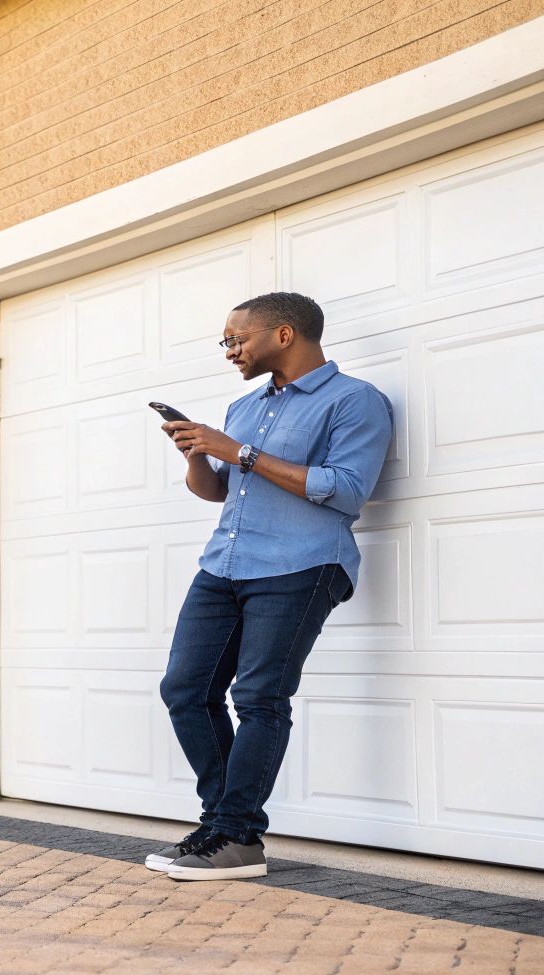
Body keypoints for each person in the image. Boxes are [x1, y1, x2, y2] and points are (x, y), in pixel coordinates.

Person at [145, 291, 393, 881]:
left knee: (258, 699)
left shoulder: (355, 401)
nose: (230, 351)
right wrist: (197, 455)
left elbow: (349, 488)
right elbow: (218, 491)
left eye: (237, 339)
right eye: (226, 342)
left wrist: (241, 452)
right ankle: (223, 827)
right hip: (225, 566)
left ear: (284, 335)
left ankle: (237, 837)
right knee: (185, 689)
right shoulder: (242, 406)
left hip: (303, 567)